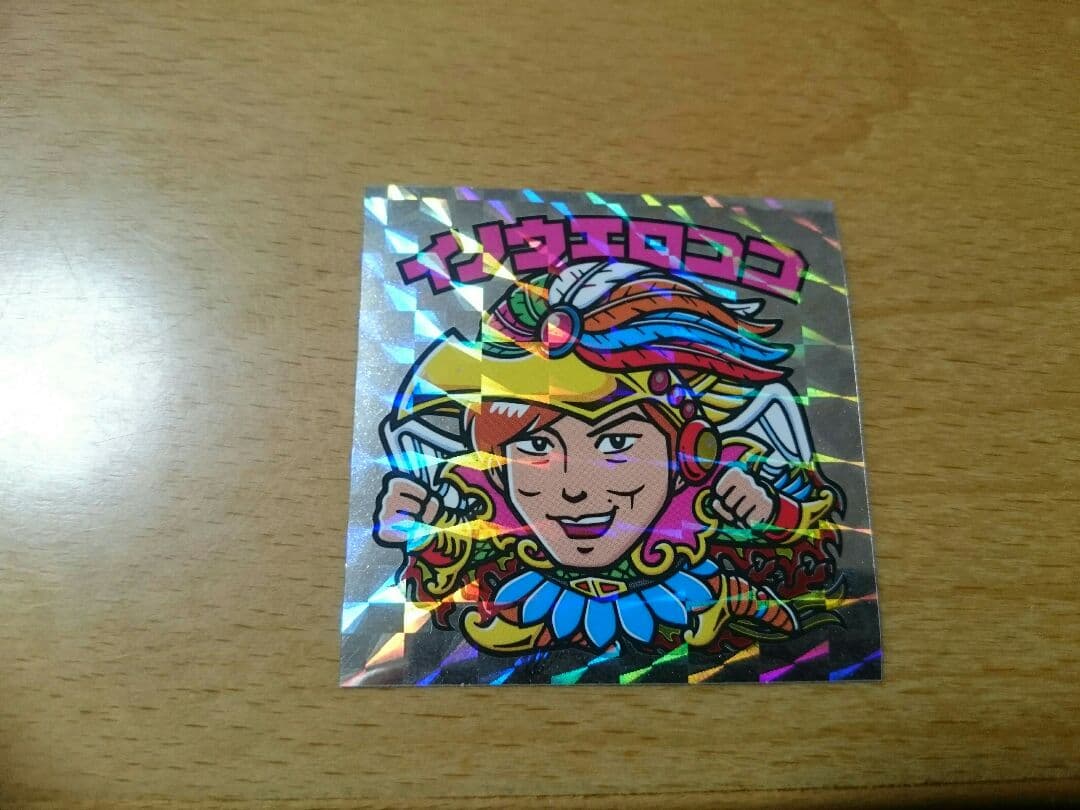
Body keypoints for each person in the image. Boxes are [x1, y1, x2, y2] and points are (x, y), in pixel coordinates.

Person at [374, 260, 842, 655]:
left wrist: (769, 512)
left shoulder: (726, 491)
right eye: (537, 446)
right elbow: (431, 594)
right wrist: (426, 530)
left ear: (688, 451)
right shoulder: (480, 510)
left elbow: (814, 551)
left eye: (615, 443)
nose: (574, 488)